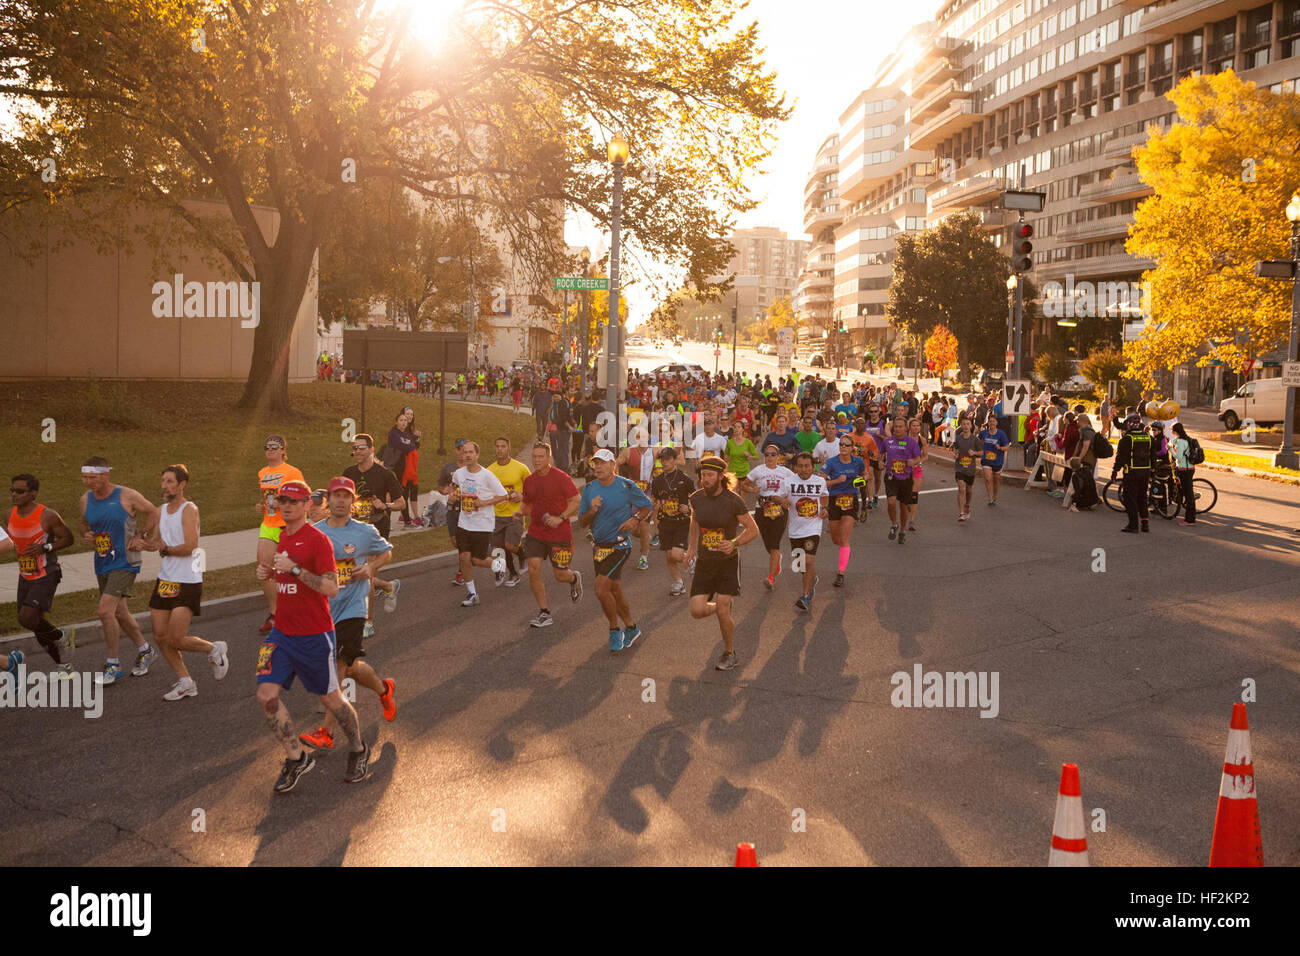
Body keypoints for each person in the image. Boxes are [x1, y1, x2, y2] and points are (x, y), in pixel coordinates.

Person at [254, 480, 370, 792]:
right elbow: (285, 579)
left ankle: (358, 748)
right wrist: (269, 574)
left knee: (331, 699)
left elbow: (331, 587)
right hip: (281, 634)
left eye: (294, 501)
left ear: (308, 505)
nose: (287, 506)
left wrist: (292, 570)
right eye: (283, 501)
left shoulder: (317, 541)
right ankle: (296, 758)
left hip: (314, 635)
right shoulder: (281, 537)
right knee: (266, 696)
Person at [298, 477, 398, 751]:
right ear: (328, 500)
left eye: (346, 496)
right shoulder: (314, 532)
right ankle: (383, 689)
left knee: (339, 666)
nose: (341, 501)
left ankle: (326, 732)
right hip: (324, 609)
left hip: (353, 608)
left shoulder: (364, 532)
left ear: (353, 502)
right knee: (351, 667)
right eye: (336, 496)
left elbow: (387, 553)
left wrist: (371, 567)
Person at [138, 465, 228, 701]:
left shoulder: (189, 510)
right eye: (163, 481)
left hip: (187, 579)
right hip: (165, 579)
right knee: (159, 636)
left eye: (169, 482)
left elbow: (190, 546)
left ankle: (213, 649)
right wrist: (142, 543)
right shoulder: (161, 511)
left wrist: (164, 548)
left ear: (181, 485)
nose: (164, 486)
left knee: (176, 638)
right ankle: (186, 682)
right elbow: (159, 542)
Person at [80, 456, 160, 685]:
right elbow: (84, 522)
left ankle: (112, 664)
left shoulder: (126, 495)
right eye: (85, 477)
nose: (87, 482)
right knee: (119, 612)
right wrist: (86, 533)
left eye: (92, 477)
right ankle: (145, 651)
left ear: (106, 474)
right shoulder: (85, 499)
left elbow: (153, 512)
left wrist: (140, 536)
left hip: (126, 561)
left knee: (105, 611)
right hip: (103, 560)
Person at [684, 457, 758, 671]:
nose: (704, 479)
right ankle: (721, 606)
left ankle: (730, 652)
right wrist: (691, 548)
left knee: (724, 610)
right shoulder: (696, 498)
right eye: (702, 475)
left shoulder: (734, 501)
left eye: (709, 475)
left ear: (720, 477)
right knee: (696, 611)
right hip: (705, 562)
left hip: (727, 562)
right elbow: (695, 521)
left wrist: (734, 543)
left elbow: (753, 530)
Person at [579, 449, 652, 652]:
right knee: (614, 590)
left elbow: (647, 507)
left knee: (601, 588)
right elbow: (582, 522)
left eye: (603, 463)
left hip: (620, 545)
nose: (599, 467)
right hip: (599, 547)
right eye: (596, 463)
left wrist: (635, 519)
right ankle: (631, 627)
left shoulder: (626, 485)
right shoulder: (589, 489)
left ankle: (614, 630)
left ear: (613, 465)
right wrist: (592, 511)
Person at [6, 473, 76, 675]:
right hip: (25, 574)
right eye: (12, 490)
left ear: (33, 493)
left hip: (47, 573)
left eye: (20, 491)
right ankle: (63, 665)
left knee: (26, 618)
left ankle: (61, 635)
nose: (14, 494)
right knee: (35, 623)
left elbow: (68, 538)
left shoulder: (48, 515)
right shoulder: (8, 514)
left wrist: (45, 547)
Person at [520, 442, 583, 628]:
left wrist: (561, 517)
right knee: (533, 567)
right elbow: (528, 505)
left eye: (541, 457)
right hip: (536, 531)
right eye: (534, 457)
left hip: (559, 532)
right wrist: (519, 510)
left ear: (549, 458)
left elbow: (576, 500)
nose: (537, 460)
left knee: (560, 574)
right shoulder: (529, 481)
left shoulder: (561, 477)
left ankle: (573, 578)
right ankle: (544, 612)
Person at [343, 433, 403, 617]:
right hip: (354, 527)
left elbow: (401, 503)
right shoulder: (348, 473)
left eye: (362, 447)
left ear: (371, 450)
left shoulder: (385, 474)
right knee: (352, 572)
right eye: (355, 448)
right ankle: (388, 586)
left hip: (376, 527)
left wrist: (385, 505)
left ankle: (367, 622)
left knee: (366, 574)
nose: (358, 451)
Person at [448, 441, 509, 606]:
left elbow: (503, 495)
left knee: (477, 560)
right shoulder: (458, 474)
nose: (467, 455)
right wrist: (453, 495)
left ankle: (497, 563)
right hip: (464, 522)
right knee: (464, 557)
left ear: (477, 455)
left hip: (483, 524)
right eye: (465, 452)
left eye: (470, 452)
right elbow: (453, 488)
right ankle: (472, 593)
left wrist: (484, 503)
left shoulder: (487, 475)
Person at [256, 435, 306, 635]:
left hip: (288, 525)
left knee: (290, 570)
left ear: (283, 451)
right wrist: (261, 506)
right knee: (263, 568)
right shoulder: (263, 472)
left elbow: (303, 496)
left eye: (274, 447)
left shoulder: (292, 471)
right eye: (267, 446)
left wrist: (283, 502)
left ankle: (298, 609)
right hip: (268, 524)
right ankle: (275, 612)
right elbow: (265, 498)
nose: (270, 450)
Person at [741, 445, 795, 590]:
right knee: (768, 544)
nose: (770, 457)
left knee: (774, 543)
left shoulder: (786, 472)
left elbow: (795, 485)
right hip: (762, 509)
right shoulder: (758, 470)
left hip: (780, 510)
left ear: (778, 456)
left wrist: (788, 499)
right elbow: (744, 484)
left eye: (773, 454)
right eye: (767, 454)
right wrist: (752, 490)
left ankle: (771, 577)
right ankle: (776, 559)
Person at [780, 452, 828, 610]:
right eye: (800, 466)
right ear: (795, 467)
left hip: (813, 527)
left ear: (812, 466)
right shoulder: (788, 482)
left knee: (808, 561)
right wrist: (783, 501)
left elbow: (824, 497)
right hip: (795, 529)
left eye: (807, 466)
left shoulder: (820, 481)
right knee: (799, 566)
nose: (804, 469)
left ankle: (806, 596)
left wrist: (825, 509)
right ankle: (812, 579)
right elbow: (778, 498)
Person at [487, 436, 531, 588]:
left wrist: (522, 496)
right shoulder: (490, 470)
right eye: (497, 446)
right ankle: (513, 573)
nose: (500, 449)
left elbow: (533, 489)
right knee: (500, 549)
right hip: (496, 516)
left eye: (503, 446)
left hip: (515, 514)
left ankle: (523, 555)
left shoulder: (521, 468)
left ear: (509, 448)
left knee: (510, 545)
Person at [822, 435, 865, 587]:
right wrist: (836, 481)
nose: (843, 447)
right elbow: (822, 482)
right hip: (834, 500)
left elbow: (865, 475)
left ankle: (841, 573)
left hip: (851, 500)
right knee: (836, 539)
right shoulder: (831, 462)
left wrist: (862, 480)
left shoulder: (858, 462)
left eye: (846, 445)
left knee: (844, 537)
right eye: (841, 444)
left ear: (852, 448)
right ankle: (844, 552)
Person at [651, 447, 695, 596]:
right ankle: (678, 583)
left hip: (681, 522)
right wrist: (655, 524)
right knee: (669, 556)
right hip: (665, 523)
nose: (665, 462)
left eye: (668, 459)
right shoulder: (657, 481)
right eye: (662, 459)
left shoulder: (685, 478)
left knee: (676, 555)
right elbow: (655, 502)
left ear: (675, 460)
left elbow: (695, 498)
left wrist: (688, 508)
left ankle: (690, 558)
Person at [880, 419, 922, 544]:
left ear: (905, 428)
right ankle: (894, 524)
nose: (897, 429)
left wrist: (913, 462)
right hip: (891, 476)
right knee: (891, 501)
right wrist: (880, 461)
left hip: (906, 477)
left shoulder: (911, 442)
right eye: (895, 427)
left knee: (903, 507)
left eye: (900, 427)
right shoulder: (888, 441)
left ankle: (902, 531)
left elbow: (918, 458)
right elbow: (881, 453)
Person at [1112, 413, 1153, 533]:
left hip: (1131, 472)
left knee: (1130, 498)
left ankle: (1133, 525)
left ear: (1129, 425)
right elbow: (1153, 456)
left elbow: (1120, 458)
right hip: (1145, 472)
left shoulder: (1126, 439)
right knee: (1142, 498)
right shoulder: (1148, 437)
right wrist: (1152, 472)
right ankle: (1145, 523)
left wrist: (1115, 471)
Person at [437, 439, 470, 585]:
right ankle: (469, 562)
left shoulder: (473, 468)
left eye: (465, 449)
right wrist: (445, 490)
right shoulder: (448, 468)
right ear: (455, 450)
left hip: (468, 510)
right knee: (455, 542)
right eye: (459, 449)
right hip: (451, 510)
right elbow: (441, 486)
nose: (462, 452)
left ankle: (462, 572)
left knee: (463, 543)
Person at [952, 417, 981, 521]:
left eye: (968, 424)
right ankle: (961, 513)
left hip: (970, 469)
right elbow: (955, 448)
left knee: (968, 491)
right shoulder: (959, 437)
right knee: (961, 488)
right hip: (959, 467)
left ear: (971, 426)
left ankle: (967, 505)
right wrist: (955, 454)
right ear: (961, 425)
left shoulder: (975, 439)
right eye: (963, 424)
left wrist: (975, 453)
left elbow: (982, 453)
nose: (965, 426)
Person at [977, 415, 1011, 507]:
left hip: (998, 460)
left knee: (996, 480)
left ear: (996, 423)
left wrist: (1000, 448)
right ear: (988, 422)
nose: (991, 423)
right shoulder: (983, 433)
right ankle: (990, 498)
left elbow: (1007, 447)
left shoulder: (1001, 434)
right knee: (988, 478)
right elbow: (977, 441)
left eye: (993, 421)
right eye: (990, 421)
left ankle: (995, 496)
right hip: (986, 459)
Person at [1170, 421, 1198, 526]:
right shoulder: (1187, 439)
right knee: (1188, 494)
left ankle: (1189, 519)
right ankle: (1190, 517)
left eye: (1172, 431)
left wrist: (1170, 449)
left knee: (1189, 495)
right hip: (1190, 468)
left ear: (1176, 431)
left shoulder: (1182, 441)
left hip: (1184, 470)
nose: (1171, 432)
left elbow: (1179, 457)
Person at [906, 417, 929, 531]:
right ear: (909, 427)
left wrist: (918, 462)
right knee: (906, 494)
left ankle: (912, 521)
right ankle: (908, 505)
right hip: (904, 469)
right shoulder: (904, 439)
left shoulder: (922, 440)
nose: (916, 428)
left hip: (917, 468)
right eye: (913, 425)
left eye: (918, 426)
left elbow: (926, 455)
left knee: (914, 495)